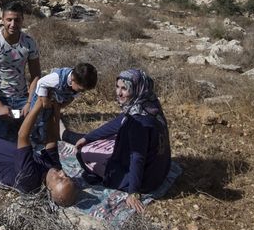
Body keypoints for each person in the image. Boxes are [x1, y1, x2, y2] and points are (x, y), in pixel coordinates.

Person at [61, 69, 171, 213]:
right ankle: (70, 136)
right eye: (117, 87)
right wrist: (88, 137)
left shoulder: (138, 122)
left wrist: (133, 191)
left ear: (136, 88)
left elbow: (137, 157)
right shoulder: (147, 103)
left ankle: (66, 136)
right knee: (110, 138)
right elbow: (119, 122)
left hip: (145, 180)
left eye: (124, 88)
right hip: (159, 171)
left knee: (83, 153)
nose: (119, 93)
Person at [0, 1, 41, 124]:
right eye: (9, 20)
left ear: (22, 20)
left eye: (17, 20)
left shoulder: (29, 43)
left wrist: (29, 102)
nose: (13, 24)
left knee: (41, 120)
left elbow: (36, 75)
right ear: (2, 19)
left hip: (22, 98)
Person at [29, 62, 98, 144]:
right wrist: (44, 100)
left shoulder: (77, 83)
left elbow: (74, 94)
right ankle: (32, 140)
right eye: (81, 90)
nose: (82, 92)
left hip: (55, 101)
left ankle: (49, 139)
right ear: (73, 79)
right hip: (41, 100)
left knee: (49, 123)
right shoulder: (57, 78)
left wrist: (67, 101)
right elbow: (41, 82)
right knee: (37, 122)